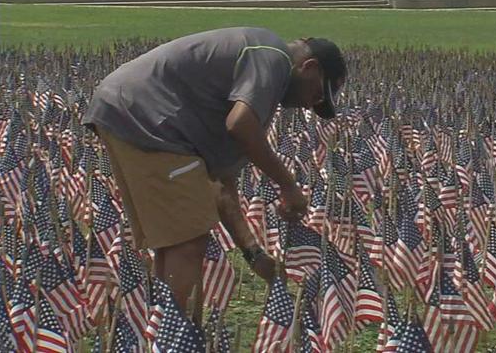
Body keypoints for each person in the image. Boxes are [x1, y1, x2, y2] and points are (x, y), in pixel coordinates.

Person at [83, 27, 347, 310]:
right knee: (187, 241)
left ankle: (168, 330)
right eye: (317, 95)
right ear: (309, 66)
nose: (309, 106)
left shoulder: (251, 77)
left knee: (175, 241)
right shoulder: (272, 57)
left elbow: (221, 186)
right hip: (147, 116)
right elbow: (241, 125)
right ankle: (178, 336)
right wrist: (288, 185)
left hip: (130, 110)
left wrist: (254, 254)